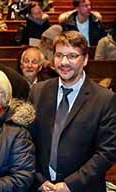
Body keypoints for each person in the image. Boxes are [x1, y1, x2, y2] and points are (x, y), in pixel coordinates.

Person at [29, 30, 116, 192]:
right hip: (42, 186)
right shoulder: (38, 92)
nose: (64, 62)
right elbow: (25, 141)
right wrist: (38, 179)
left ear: (85, 59)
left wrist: (70, 185)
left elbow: (107, 152)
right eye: (59, 55)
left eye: (72, 56)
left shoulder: (105, 99)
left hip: (82, 187)